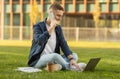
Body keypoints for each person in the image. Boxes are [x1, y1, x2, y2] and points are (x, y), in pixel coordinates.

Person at [28, 2, 86, 71]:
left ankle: (52, 67)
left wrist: (71, 59)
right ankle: (72, 68)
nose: (60, 18)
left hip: (53, 59)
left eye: (61, 16)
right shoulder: (38, 26)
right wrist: (51, 28)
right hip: (38, 60)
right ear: (50, 13)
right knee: (55, 56)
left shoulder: (58, 28)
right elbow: (39, 41)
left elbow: (63, 44)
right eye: (58, 15)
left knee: (74, 55)